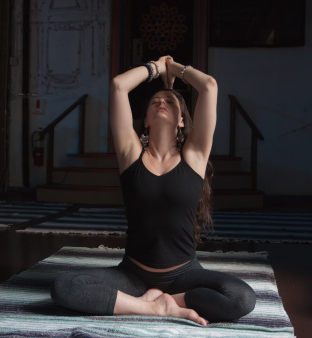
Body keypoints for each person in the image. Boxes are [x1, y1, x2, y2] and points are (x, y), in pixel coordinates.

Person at [51, 56, 256, 326]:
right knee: (64, 286)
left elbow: (208, 86)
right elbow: (118, 86)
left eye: (170, 101)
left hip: (184, 273)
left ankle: (172, 299)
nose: (161, 102)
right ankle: (155, 308)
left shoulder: (194, 156)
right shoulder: (130, 153)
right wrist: (155, 69)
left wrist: (175, 70)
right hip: (133, 274)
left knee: (242, 298)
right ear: (145, 120)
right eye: (155, 101)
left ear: (182, 121)